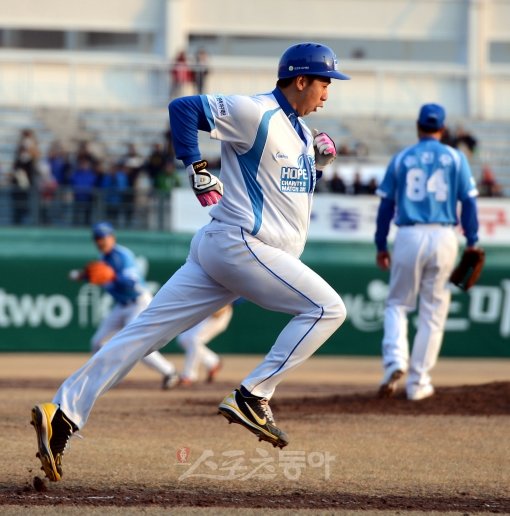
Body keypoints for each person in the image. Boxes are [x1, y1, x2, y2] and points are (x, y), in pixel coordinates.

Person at [30, 41, 349, 482]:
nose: (328, 92)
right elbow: (183, 107)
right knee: (328, 309)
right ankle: (253, 394)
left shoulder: (299, 132)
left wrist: (319, 159)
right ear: (300, 80)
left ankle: (62, 412)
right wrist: (195, 164)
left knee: (142, 335)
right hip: (243, 245)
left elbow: (285, 187)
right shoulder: (257, 112)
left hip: (227, 250)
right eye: (324, 82)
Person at [374, 103, 480, 401]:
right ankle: (418, 383)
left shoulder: (402, 158)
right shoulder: (456, 158)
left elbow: (386, 206)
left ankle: (396, 359)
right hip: (445, 235)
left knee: (397, 304)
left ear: (418, 127)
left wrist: (381, 245)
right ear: (442, 129)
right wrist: (472, 240)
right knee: (433, 314)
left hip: (408, 235)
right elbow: (469, 203)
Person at [69, 222, 179, 389]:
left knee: (137, 345)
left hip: (138, 303)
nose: (100, 241)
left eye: (103, 237)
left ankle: (169, 371)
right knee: (97, 341)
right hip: (121, 306)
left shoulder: (122, 256)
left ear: (112, 238)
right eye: (97, 238)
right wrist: (81, 275)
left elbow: (132, 283)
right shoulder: (103, 259)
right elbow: (97, 274)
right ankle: (96, 379)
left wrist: (114, 277)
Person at [176, 303, 234, 385]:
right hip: (206, 310)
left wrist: (224, 305)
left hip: (219, 311)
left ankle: (189, 375)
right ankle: (213, 361)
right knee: (183, 339)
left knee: (194, 339)